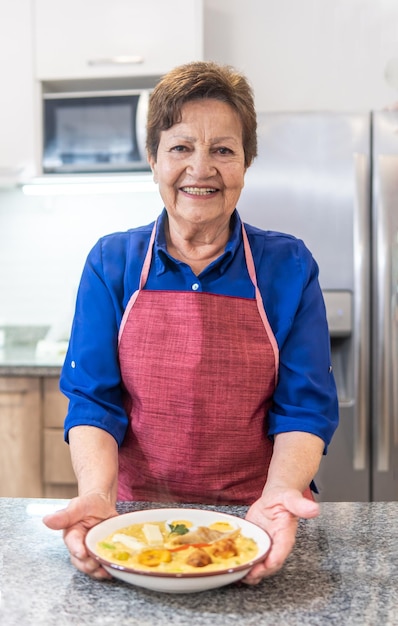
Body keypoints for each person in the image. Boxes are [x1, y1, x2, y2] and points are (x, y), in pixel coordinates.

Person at [43, 60, 339, 584]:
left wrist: (277, 498)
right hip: (135, 523)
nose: (201, 169)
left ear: (246, 162)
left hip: (256, 520)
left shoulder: (288, 267)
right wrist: (95, 494)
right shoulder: (111, 262)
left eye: (223, 149)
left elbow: (305, 408)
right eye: (181, 147)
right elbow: (94, 399)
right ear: (154, 159)